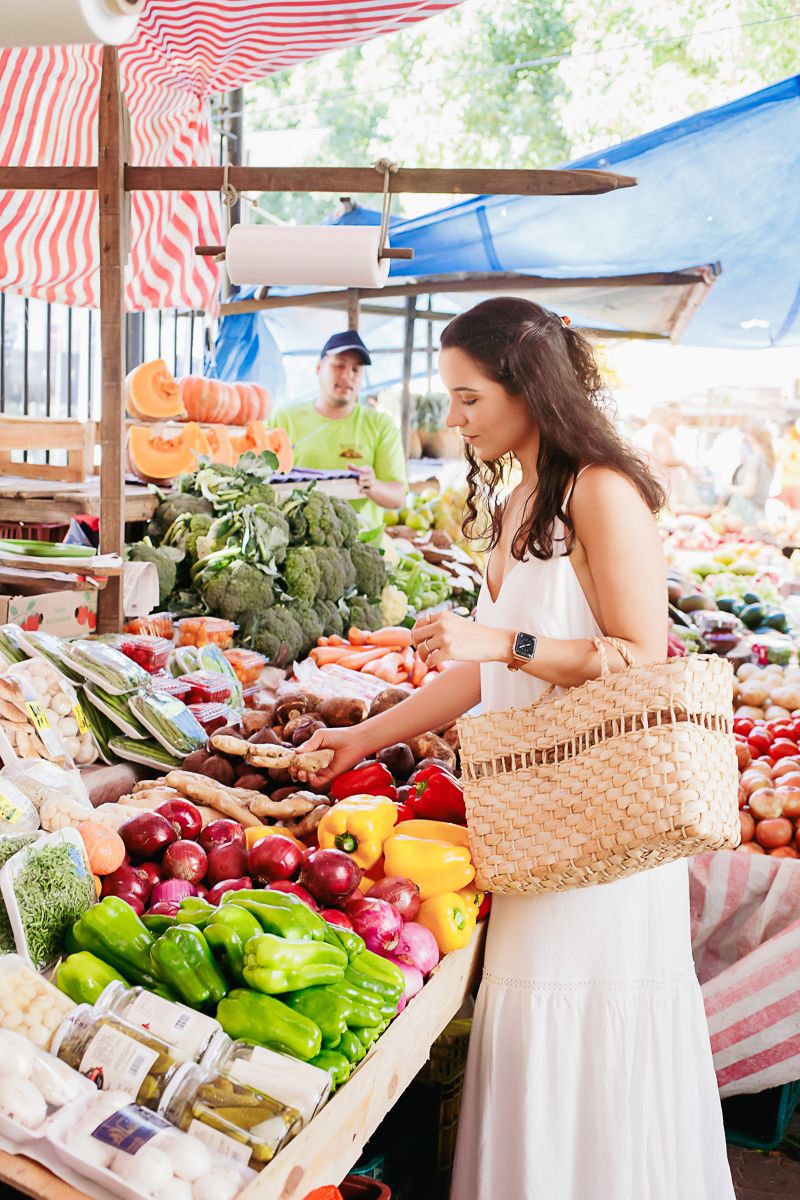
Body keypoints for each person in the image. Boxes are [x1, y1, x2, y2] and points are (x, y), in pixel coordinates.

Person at [300, 298, 733, 1200]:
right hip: (534, 812)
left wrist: (498, 642)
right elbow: (477, 670)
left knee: (585, 1006)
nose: (453, 420)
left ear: (527, 389)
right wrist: (363, 737)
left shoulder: (602, 492)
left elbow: (638, 660)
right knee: (534, 1008)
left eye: (467, 399)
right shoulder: (521, 499)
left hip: (604, 825)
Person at [270, 332, 406, 529]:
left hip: (359, 546)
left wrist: (372, 485)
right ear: (319, 368)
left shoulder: (381, 425)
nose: (347, 374)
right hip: (294, 541)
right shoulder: (283, 419)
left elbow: (397, 497)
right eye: (339, 365)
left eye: (356, 369)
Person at [633, 403, 699, 506]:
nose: (676, 419)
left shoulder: (665, 434)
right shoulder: (661, 433)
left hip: (668, 486)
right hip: (666, 487)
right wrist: (685, 465)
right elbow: (664, 458)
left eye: (677, 415)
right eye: (673, 415)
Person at [728, 427, 775, 524]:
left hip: (747, 515)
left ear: (753, 437)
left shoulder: (754, 459)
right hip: (759, 513)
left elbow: (749, 491)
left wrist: (728, 488)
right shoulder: (768, 459)